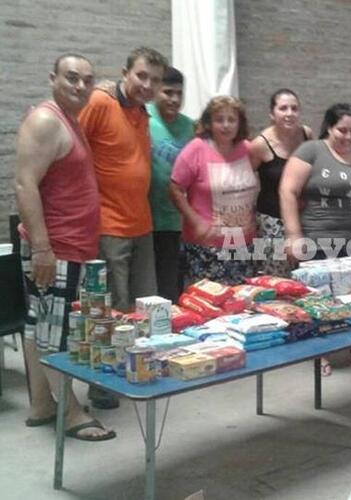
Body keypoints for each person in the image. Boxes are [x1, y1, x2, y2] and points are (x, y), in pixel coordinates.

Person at [14, 53, 115, 441]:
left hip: (68, 245)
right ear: (52, 77)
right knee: (57, 333)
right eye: (72, 78)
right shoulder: (45, 121)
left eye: (88, 80)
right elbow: (25, 184)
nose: (80, 86)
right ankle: (71, 413)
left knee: (39, 324)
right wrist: (42, 248)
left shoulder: (69, 120)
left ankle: (42, 404)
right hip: (55, 248)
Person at [79, 46, 167, 409]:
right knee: (111, 309)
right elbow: (71, 149)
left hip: (140, 223)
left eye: (155, 80)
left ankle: (139, 372)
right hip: (108, 223)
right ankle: (103, 384)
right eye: (141, 76)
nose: (147, 85)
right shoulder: (99, 102)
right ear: (125, 72)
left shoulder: (142, 112)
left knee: (143, 308)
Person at [280, 103, 351, 376]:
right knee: (318, 299)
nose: (348, 137)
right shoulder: (311, 150)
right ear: (329, 127)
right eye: (342, 130)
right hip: (317, 237)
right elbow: (288, 191)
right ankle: (319, 353)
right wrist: (294, 236)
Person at [170, 95, 259, 285]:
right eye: (219, 120)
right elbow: (175, 189)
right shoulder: (196, 149)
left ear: (239, 123)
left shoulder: (248, 150)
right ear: (209, 123)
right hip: (206, 247)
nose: (226, 125)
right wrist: (196, 222)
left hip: (243, 245)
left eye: (231, 120)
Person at [249, 88, 312, 277]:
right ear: (272, 113)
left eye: (294, 109)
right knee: (274, 279)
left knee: (304, 275)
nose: (289, 114)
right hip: (270, 222)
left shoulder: (306, 135)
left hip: (302, 217)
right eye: (283, 108)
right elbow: (247, 181)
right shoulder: (260, 145)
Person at [147, 66, 194, 301]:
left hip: (177, 222)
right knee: (146, 292)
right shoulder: (141, 117)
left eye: (179, 93)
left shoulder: (191, 127)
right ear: (155, 90)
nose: (174, 99)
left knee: (172, 290)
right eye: (168, 92)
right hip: (144, 220)